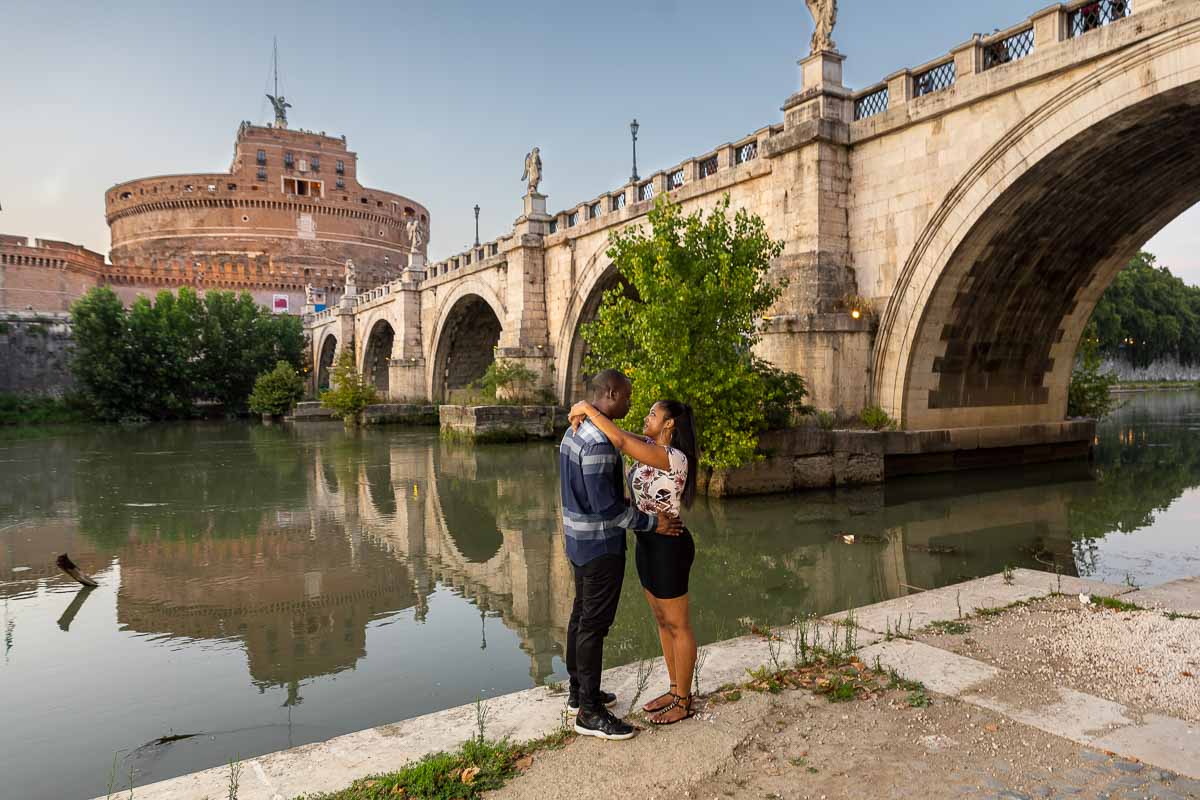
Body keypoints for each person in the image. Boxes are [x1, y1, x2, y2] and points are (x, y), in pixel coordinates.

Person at [559, 369, 682, 740]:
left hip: (577, 541)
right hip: (599, 546)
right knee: (594, 625)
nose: (631, 403)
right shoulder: (599, 441)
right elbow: (608, 511)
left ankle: (579, 691)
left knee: (581, 616)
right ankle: (590, 713)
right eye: (627, 397)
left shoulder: (575, 429)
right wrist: (651, 524)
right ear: (610, 393)